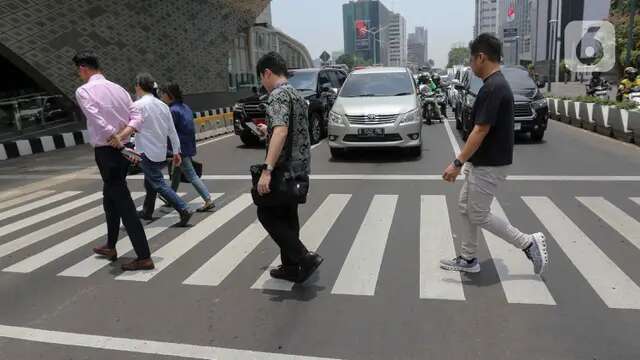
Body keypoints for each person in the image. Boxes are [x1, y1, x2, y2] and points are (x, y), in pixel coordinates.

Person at [440, 33, 549, 275]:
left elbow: (480, 130)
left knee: (478, 213)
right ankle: (468, 259)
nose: (470, 65)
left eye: (471, 60)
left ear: (481, 57)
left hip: (489, 164)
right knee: (465, 207)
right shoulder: (495, 84)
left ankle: (527, 242)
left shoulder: (493, 87)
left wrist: (457, 162)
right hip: (483, 162)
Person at [72, 51, 154, 271]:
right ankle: (110, 245)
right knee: (110, 198)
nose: (79, 75)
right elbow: (136, 117)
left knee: (123, 203)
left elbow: (95, 118)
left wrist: (113, 137)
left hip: (108, 152)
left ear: (83, 68)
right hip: (123, 148)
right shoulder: (119, 89)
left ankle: (144, 256)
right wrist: (123, 135)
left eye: (78, 71)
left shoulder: (84, 91)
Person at [254, 51, 323, 283]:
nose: (262, 84)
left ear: (267, 72)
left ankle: (303, 257)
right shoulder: (295, 93)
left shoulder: (278, 95)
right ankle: (291, 267)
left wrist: (267, 169)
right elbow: (287, 130)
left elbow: (282, 130)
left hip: (283, 169)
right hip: (300, 168)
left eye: (261, 79)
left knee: (265, 213)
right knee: (288, 215)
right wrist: (268, 131)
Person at [133, 73, 193, 227]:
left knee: (158, 182)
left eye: (136, 85)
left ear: (139, 86)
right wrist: (176, 151)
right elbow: (172, 131)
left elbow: (131, 127)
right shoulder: (162, 105)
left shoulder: (138, 105)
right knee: (150, 181)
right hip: (160, 151)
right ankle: (147, 210)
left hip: (146, 151)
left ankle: (183, 208)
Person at [159, 82, 215, 212]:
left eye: (163, 94)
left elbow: (169, 131)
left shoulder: (172, 111)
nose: (162, 96)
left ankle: (208, 199)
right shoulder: (185, 108)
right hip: (187, 145)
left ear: (170, 95)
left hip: (179, 148)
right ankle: (170, 197)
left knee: (191, 175)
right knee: (177, 173)